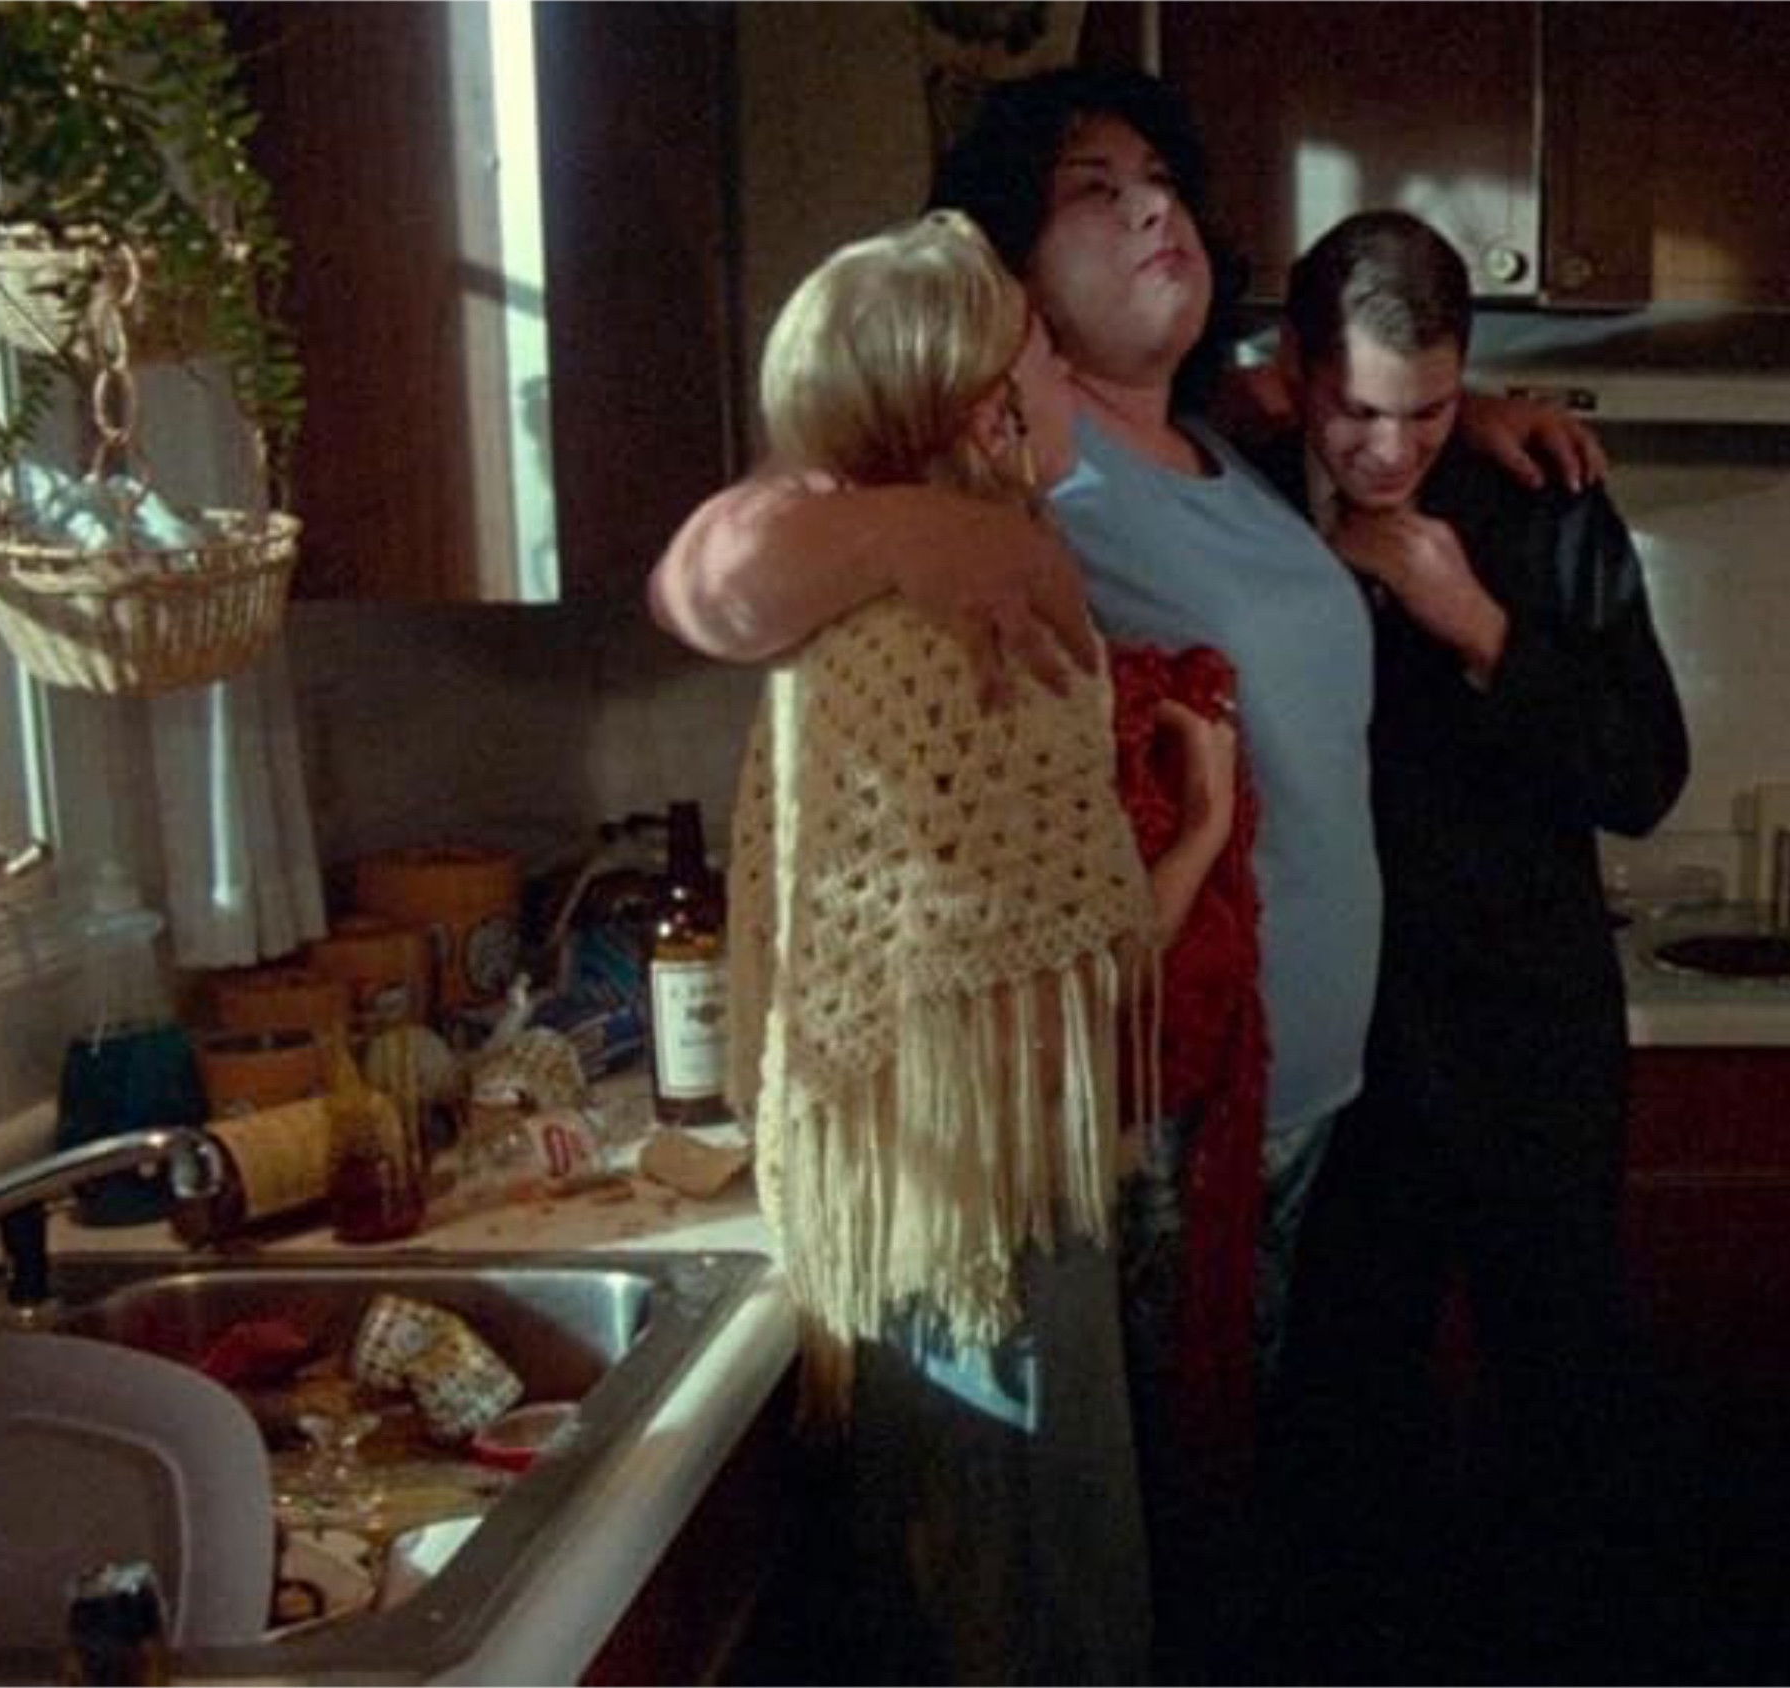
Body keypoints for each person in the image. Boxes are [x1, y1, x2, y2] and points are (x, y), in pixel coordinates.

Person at [646, 66, 1608, 1675]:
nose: (1152, 203)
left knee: (1239, 1534)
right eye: (1093, 189)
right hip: (1163, 1116)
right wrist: (900, 535)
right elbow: (704, 580)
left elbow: (1350, 402)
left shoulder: (1222, 439)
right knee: (1137, 1571)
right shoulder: (1001, 461)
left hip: (1307, 1107)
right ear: (1008, 282)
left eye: (1160, 176)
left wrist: (1466, 423)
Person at [722, 209, 1238, 1684]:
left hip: (895, 1212)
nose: (1069, 377)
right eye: (1044, 358)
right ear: (984, 412)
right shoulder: (995, 627)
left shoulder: (849, 612)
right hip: (993, 1227)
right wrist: (1202, 825)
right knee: (1039, 1624)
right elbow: (1090, 967)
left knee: (937, 1604)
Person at [1254, 210, 1689, 1670]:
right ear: (1296, 371)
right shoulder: (1234, 490)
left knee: (1568, 1406)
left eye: (1430, 409)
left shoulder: (1542, 500)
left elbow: (1645, 773)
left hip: (1527, 1044)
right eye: (1357, 411)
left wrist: (1478, 624)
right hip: (1332, 1062)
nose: (1390, 449)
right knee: (1338, 1420)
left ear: (1468, 379)